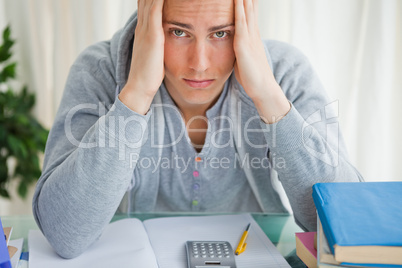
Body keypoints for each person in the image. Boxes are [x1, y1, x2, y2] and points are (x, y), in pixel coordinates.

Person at [32, 0, 363, 259]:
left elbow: (346, 224)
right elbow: (65, 234)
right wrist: (135, 96)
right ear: (147, 17)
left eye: (221, 33)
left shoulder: (285, 71)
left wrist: (267, 95)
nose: (200, 62)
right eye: (179, 32)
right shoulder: (100, 70)